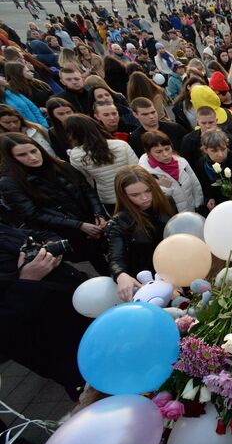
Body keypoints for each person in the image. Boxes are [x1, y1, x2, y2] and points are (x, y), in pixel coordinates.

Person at [0, 221, 90, 400]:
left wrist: (49, 245)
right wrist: (28, 280)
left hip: (78, 309)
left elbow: (31, 233)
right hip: (51, 343)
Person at [0, 133, 107, 270]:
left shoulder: (60, 165)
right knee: (94, 262)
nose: (32, 157)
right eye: (22, 155)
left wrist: (98, 214)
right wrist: (79, 225)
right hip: (64, 232)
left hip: (90, 221)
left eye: (33, 151)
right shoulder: (10, 183)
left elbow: (87, 190)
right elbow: (33, 215)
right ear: (11, 158)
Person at [106, 166, 174, 301]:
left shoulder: (167, 202)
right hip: (149, 283)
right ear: (123, 196)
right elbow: (115, 257)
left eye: (148, 191)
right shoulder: (120, 221)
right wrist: (120, 274)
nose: (144, 198)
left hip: (175, 269)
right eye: (135, 195)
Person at [65, 114, 139, 212]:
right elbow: (138, 169)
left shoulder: (76, 155)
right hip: (134, 193)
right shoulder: (121, 145)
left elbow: (86, 181)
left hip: (108, 198)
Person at [138, 131, 203, 213]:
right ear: (149, 152)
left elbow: (195, 185)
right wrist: (165, 188)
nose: (165, 154)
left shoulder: (182, 162)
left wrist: (199, 205)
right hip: (172, 219)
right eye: (159, 151)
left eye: (167, 149)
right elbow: (153, 204)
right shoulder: (145, 173)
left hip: (192, 213)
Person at [194, 128, 232, 211]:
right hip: (219, 210)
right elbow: (204, 188)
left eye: (223, 149)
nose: (220, 154)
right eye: (214, 151)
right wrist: (209, 199)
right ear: (205, 150)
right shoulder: (201, 164)